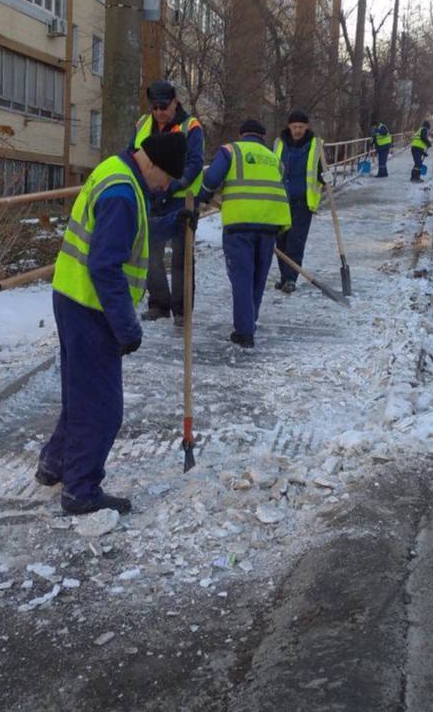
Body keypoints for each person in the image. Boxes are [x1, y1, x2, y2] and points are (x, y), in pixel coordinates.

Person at [36, 132, 198, 515]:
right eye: (166, 178)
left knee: (81, 394)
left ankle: (55, 464)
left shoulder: (117, 172)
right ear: (152, 164)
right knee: (102, 408)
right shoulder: (124, 193)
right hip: (92, 308)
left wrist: (172, 223)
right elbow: (105, 266)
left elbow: (130, 234)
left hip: (73, 297)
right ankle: (80, 489)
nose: (166, 187)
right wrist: (127, 327)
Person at [195, 120, 290, 348]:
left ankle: (245, 332)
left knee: (242, 277)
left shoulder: (230, 151)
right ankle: (250, 320)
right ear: (262, 138)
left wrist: (202, 196)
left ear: (241, 134)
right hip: (269, 225)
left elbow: (211, 179)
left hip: (240, 225)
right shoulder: (274, 159)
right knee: (258, 276)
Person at [132, 80, 205, 327]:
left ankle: (182, 310)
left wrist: (172, 187)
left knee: (181, 255)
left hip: (182, 198)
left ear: (175, 102)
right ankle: (159, 304)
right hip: (153, 196)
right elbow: (134, 154)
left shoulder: (190, 126)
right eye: (154, 107)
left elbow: (194, 163)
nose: (159, 112)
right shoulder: (143, 124)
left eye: (163, 107)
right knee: (151, 249)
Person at [273, 110, 331, 293]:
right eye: (294, 126)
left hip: (303, 202)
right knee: (281, 241)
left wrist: (326, 177)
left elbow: (322, 171)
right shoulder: (279, 144)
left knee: (295, 241)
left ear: (307, 127)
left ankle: (291, 278)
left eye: (301, 127)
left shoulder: (316, 146)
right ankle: (284, 277)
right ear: (289, 126)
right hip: (281, 200)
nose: (297, 130)